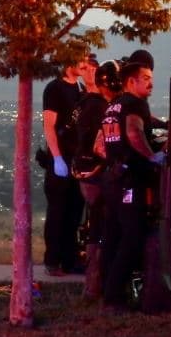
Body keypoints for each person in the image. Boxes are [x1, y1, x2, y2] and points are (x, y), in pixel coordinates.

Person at [99, 59, 164, 312]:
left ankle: (107, 293)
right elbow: (134, 133)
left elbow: (104, 144)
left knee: (112, 237)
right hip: (130, 181)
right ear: (131, 81)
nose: (151, 82)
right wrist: (153, 157)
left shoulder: (113, 105)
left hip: (112, 178)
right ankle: (115, 297)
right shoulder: (136, 104)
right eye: (145, 78)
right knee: (133, 238)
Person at [73, 59, 121, 299]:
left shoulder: (88, 103)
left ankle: (93, 284)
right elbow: (101, 147)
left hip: (86, 173)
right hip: (96, 175)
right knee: (102, 228)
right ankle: (95, 284)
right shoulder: (102, 107)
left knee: (96, 227)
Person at [41, 52, 89, 276]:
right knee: (57, 212)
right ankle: (52, 260)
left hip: (76, 160)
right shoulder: (54, 88)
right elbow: (49, 125)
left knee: (74, 212)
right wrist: (57, 157)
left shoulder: (80, 89)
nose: (84, 63)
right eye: (80, 58)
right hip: (60, 159)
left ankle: (71, 260)